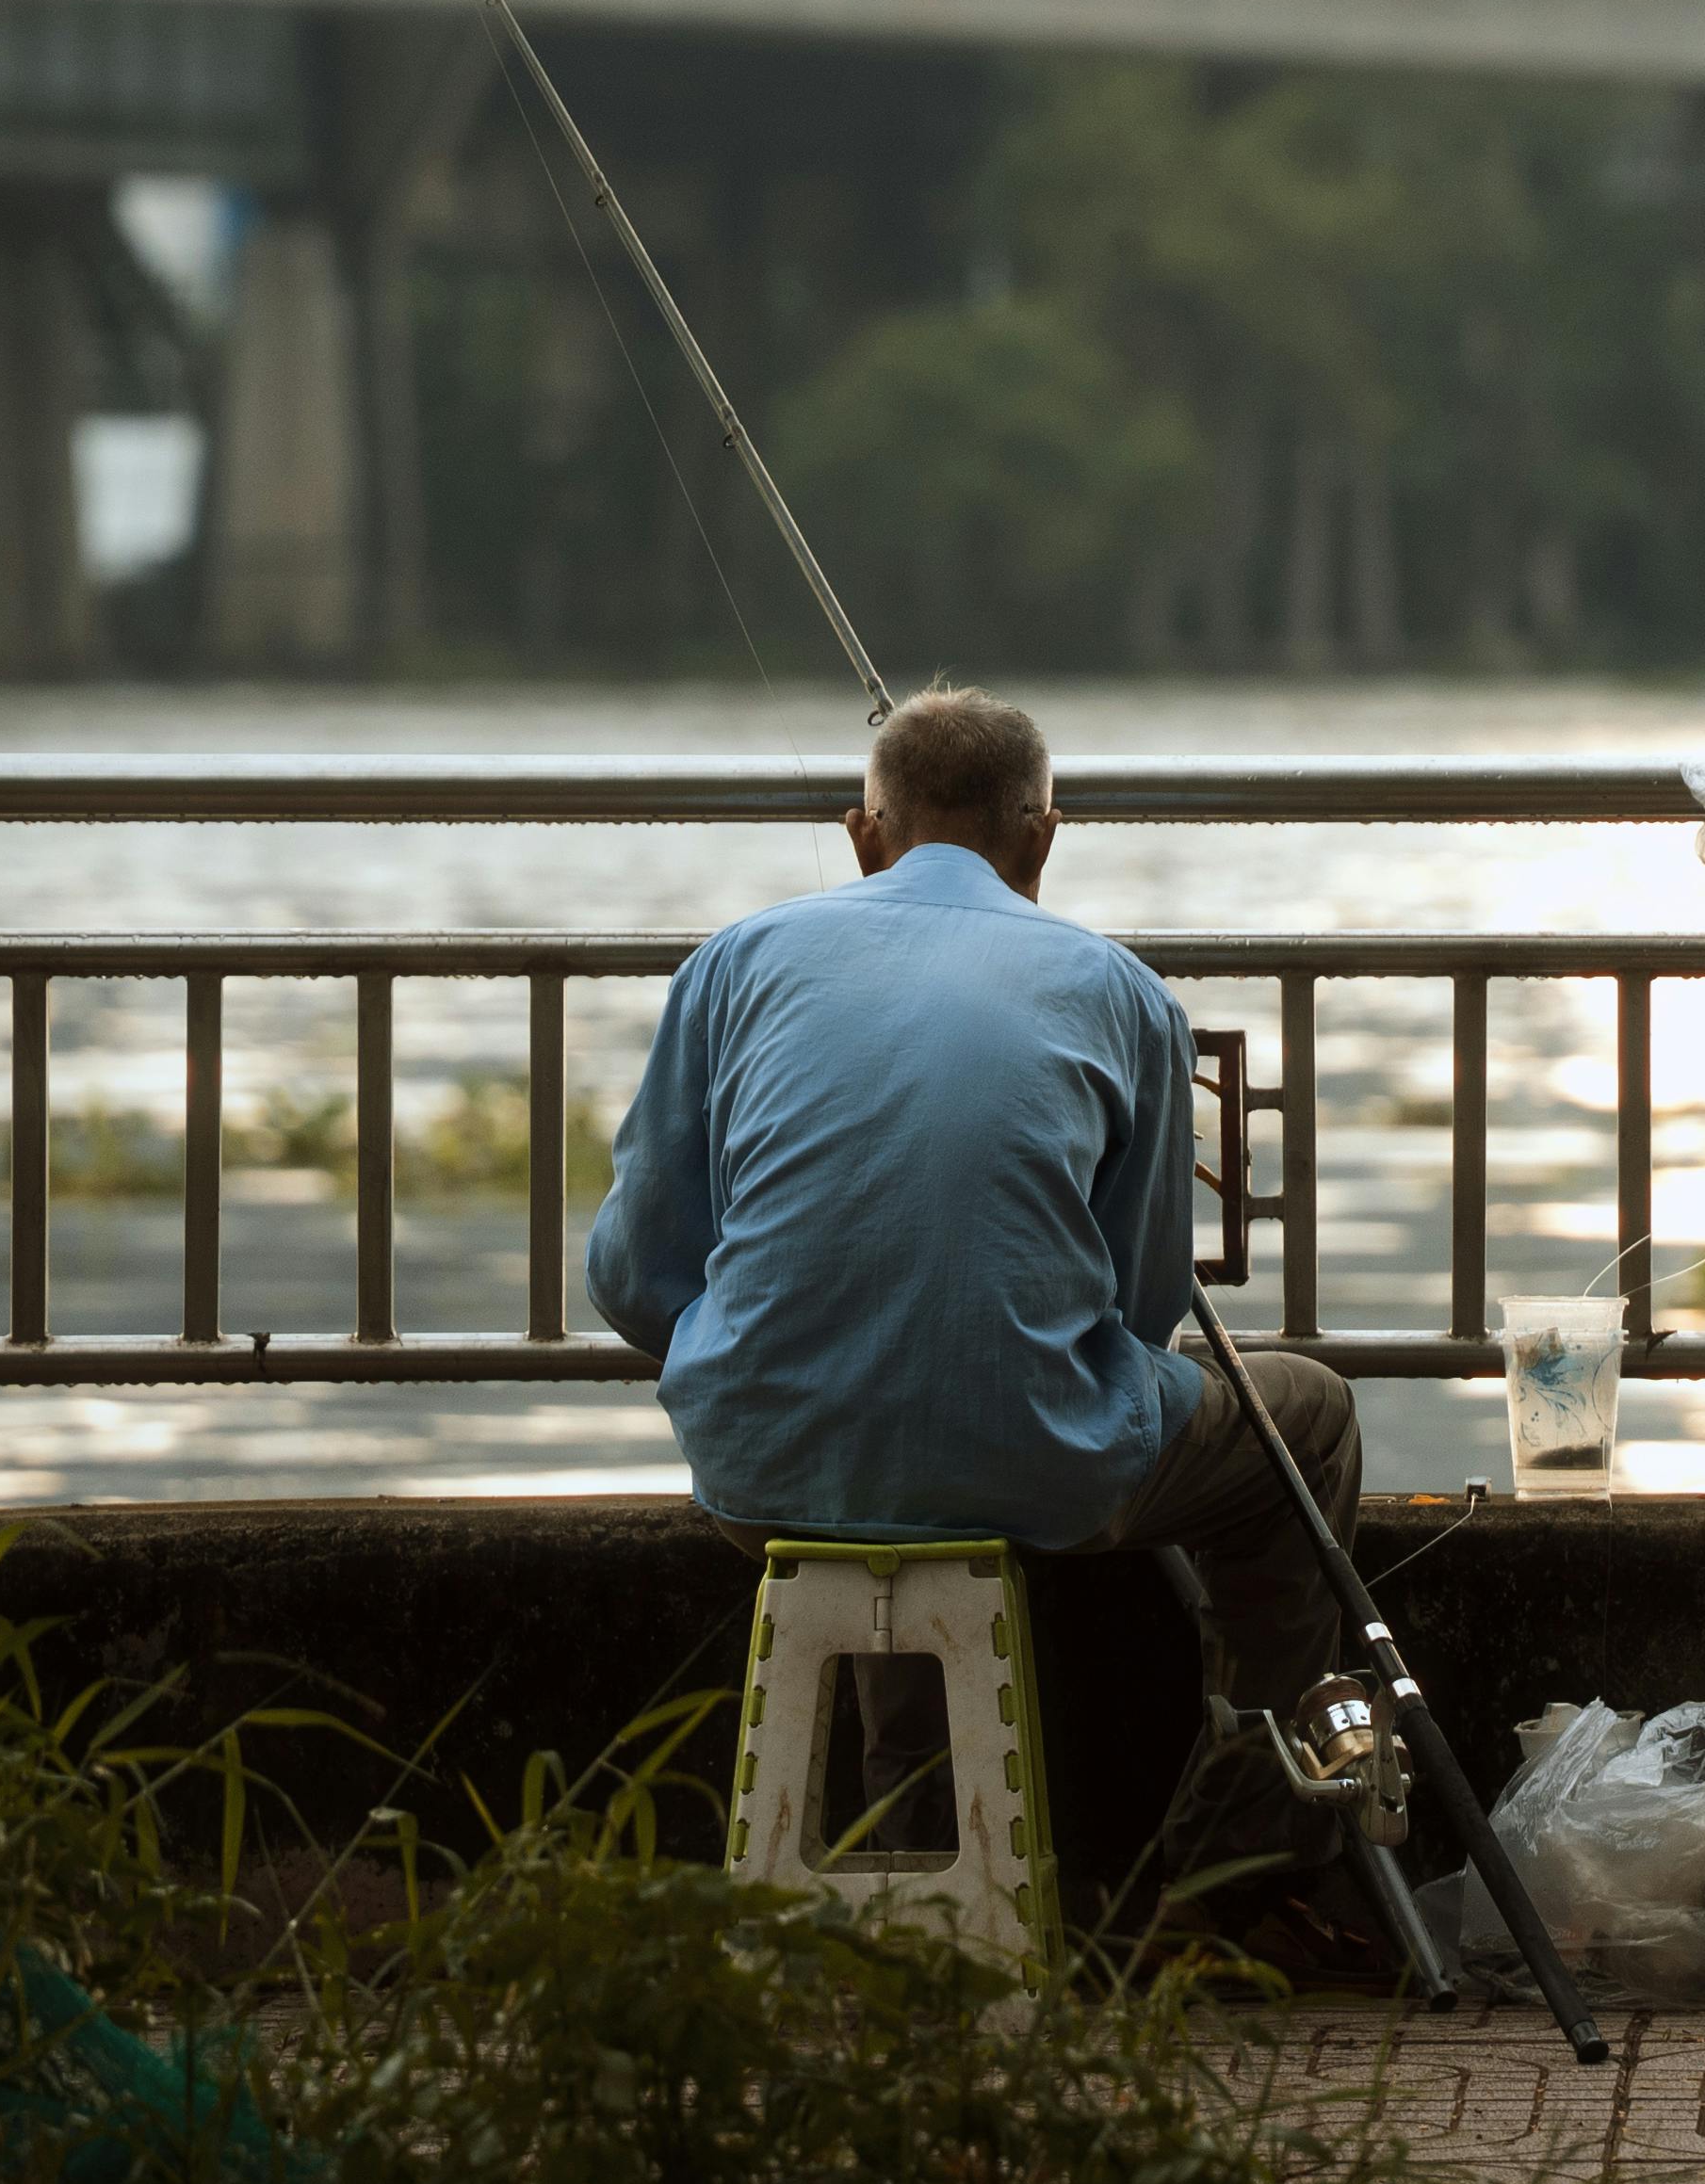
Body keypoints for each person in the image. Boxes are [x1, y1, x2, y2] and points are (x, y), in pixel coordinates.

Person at [587, 683, 1387, 1976]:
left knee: (897, 1473)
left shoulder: (733, 963)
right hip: (1037, 1465)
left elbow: (631, 1275)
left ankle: (931, 1896)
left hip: (759, 1470)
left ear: (866, 833)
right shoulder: (1121, 994)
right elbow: (1132, 1311)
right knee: (1314, 1417)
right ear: (1044, 837)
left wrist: (775, 1355)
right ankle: (1239, 1863)